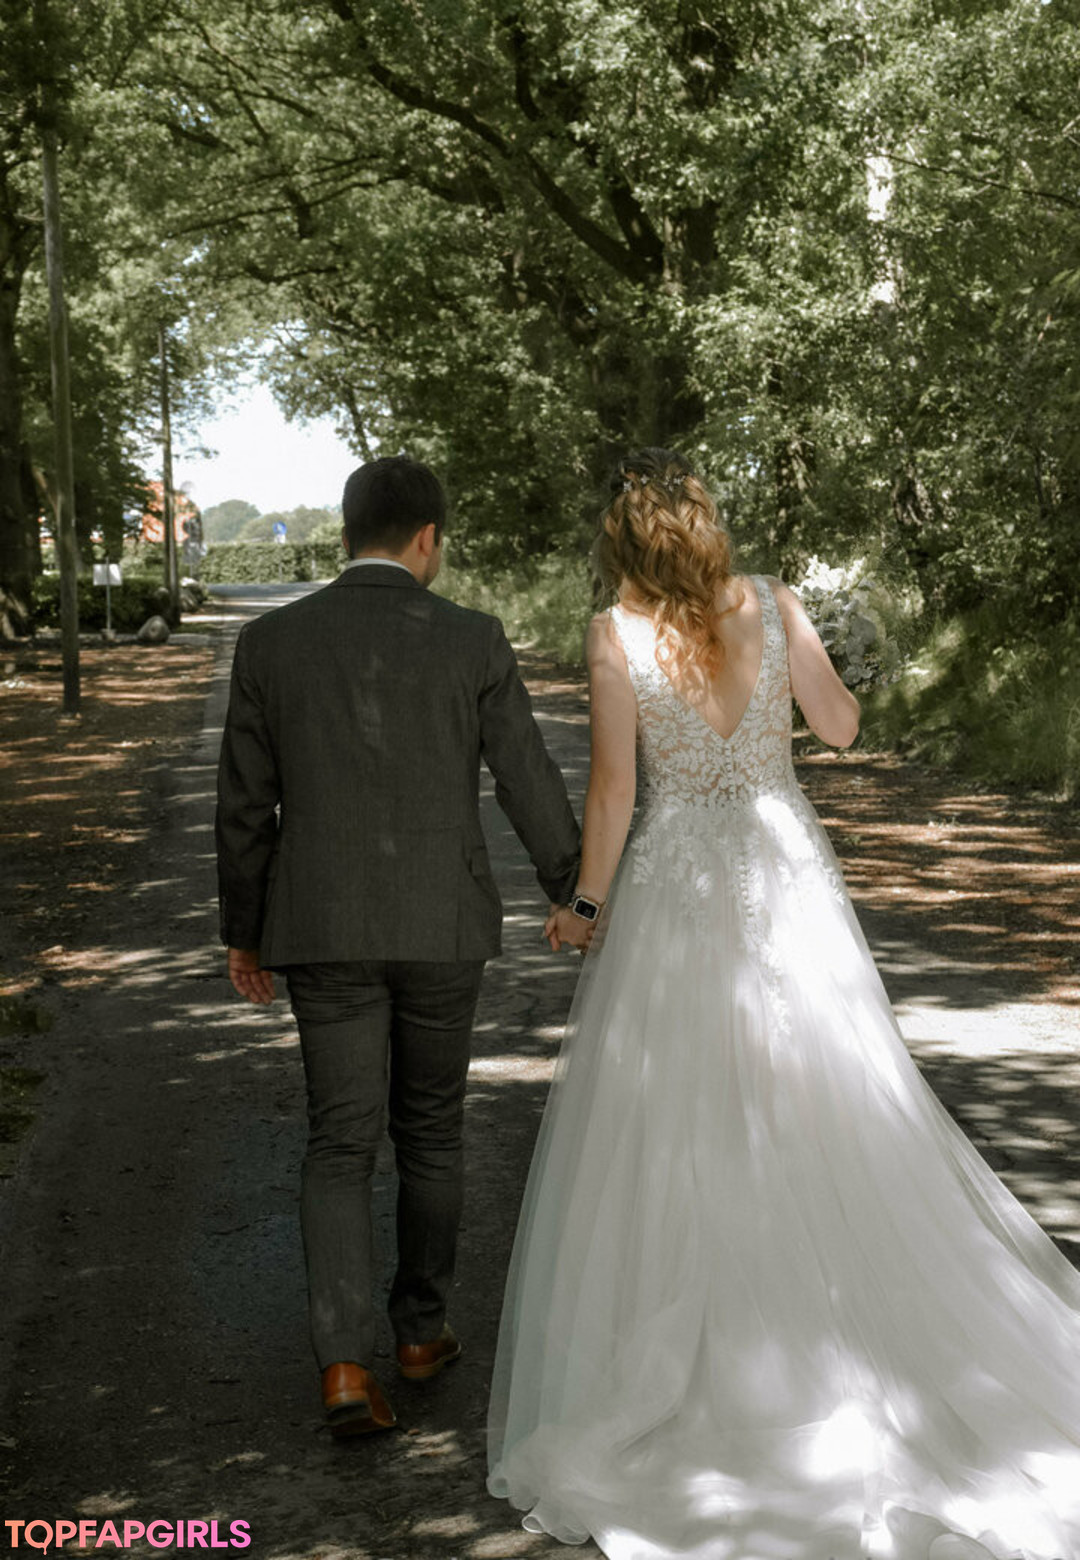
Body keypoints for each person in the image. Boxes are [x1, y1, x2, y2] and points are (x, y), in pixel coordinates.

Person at [487, 447, 1080, 1560]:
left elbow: (614, 790)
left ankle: (719, 1350)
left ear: (623, 541)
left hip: (678, 882)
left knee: (682, 1113)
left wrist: (585, 905)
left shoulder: (614, 635)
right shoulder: (772, 599)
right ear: (706, 524)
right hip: (782, 863)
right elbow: (840, 730)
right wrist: (848, 657)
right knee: (829, 1083)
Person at [216, 455, 580, 1438]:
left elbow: (244, 805)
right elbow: (526, 776)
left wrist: (244, 931)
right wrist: (572, 890)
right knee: (430, 1129)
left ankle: (344, 1364)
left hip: (321, 927)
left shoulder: (271, 642)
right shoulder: (473, 638)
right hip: (441, 924)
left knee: (338, 1140)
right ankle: (420, 1332)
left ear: (346, 536)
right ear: (428, 539)